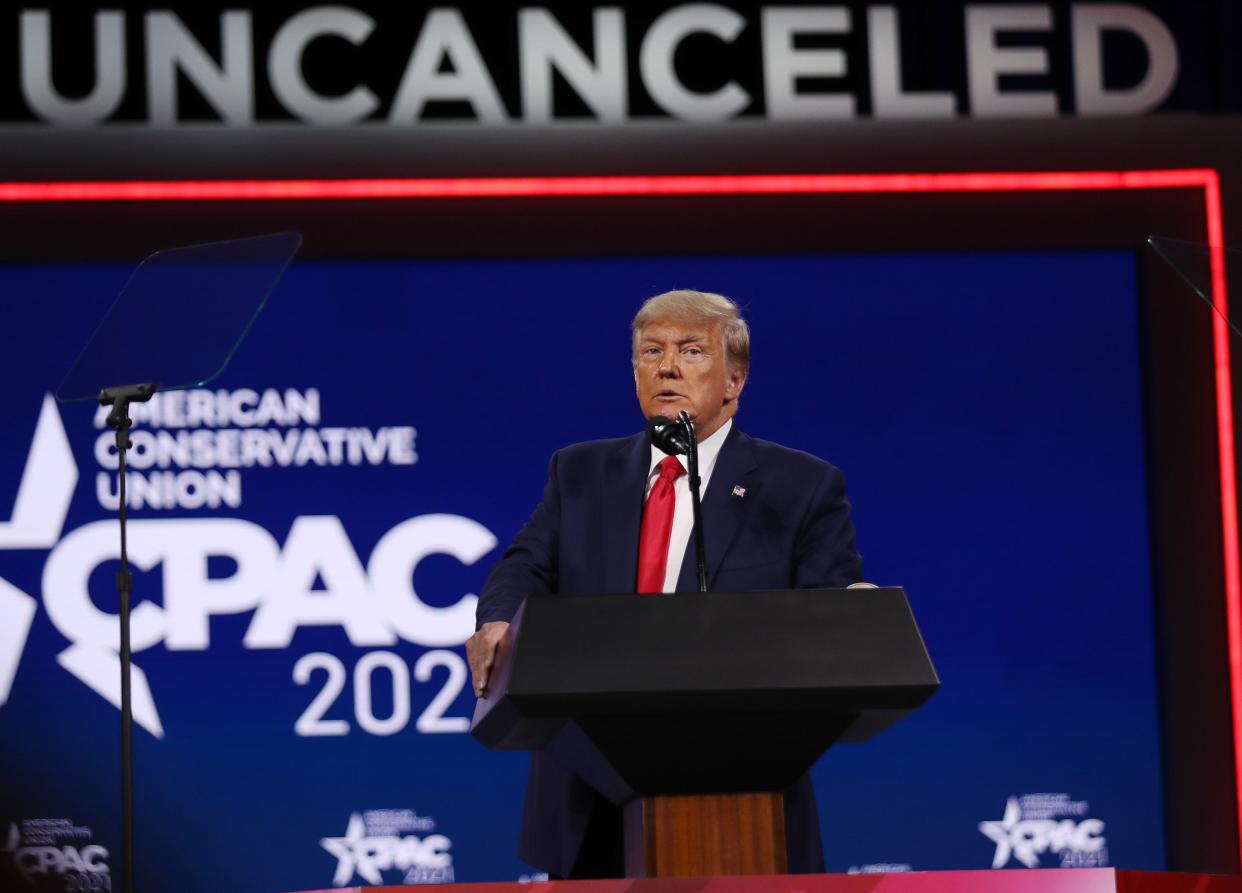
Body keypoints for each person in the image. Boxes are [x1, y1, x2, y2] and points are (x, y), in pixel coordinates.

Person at [467, 289, 865, 878]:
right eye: (650, 351)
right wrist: (497, 619)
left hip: (744, 800)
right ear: (635, 373)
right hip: (589, 796)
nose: (667, 366)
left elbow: (830, 612)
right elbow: (525, 563)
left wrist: (849, 613)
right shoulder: (580, 471)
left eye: (691, 350)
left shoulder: (800, 486)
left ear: (734, 381)